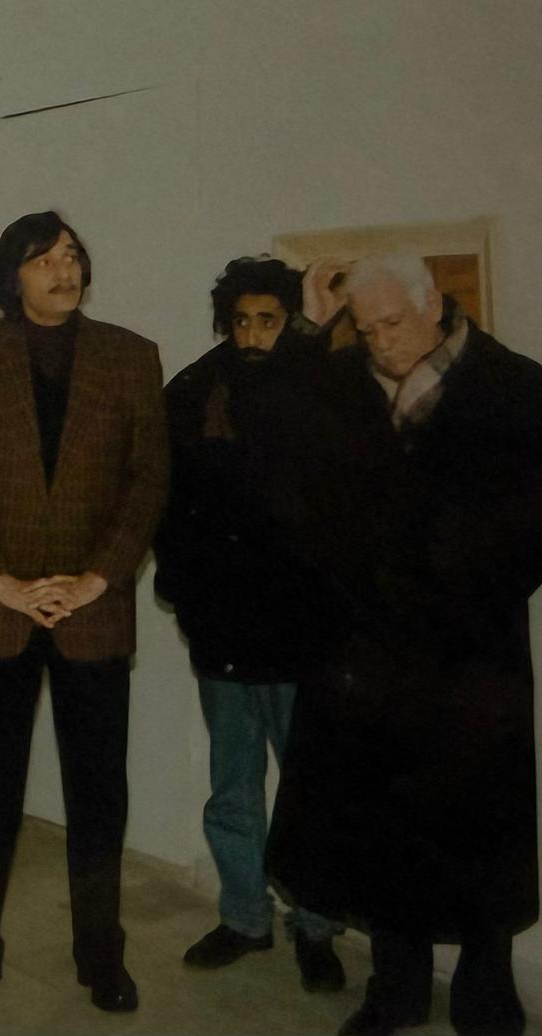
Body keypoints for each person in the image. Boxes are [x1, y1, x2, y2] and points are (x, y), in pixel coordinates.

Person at [255, 254, 542, 1035]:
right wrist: (307, 330)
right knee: (383, 835)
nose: (382, 342)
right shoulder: (344, 383)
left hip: (472, 656)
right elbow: (271, 435)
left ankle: (486, 994)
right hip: (372, 656)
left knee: (480, 833)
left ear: (434, 302)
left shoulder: (518, 388)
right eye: (366, 329)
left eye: (393, 323)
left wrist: (462, 586)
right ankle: (396, 990)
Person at [0, 211, 169, 1013]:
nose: (64, 269)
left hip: (93, 610)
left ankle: (102, 957)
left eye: (71, 255)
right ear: (12, 277)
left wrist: (99, 578)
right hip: (0, 610)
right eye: (43, 259)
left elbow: (148, 481)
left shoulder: (131, 356)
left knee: (98, 796)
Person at [154, 256, 348, 987]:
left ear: (288, 321)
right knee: (232, 787)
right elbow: (165, 497)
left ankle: (317, 927)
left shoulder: (321, 385)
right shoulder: (196, 391)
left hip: (301, 633)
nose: (253, 334)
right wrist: (185, 591)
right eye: (241, 320)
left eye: (268, 320)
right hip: (224, 628)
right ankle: (243, 916)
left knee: (310, 790)